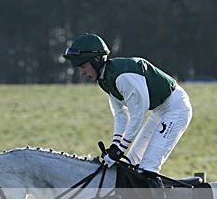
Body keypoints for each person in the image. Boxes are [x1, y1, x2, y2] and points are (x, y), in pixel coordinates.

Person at [62, 32, 192, 179]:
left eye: (83, 66)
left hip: (176, 108)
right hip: (159, 111)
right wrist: (115, 145)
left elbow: (138, 116)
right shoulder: (105, 79)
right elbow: (121, 114)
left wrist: (119, 150)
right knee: (131, 165)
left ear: (97, 60)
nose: (81, 72)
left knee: (148, 168)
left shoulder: (122, 78)